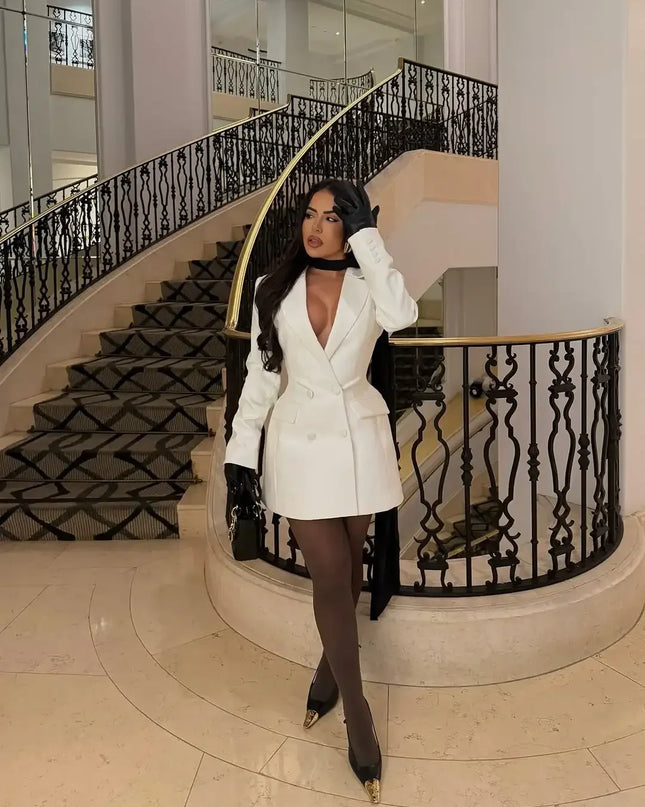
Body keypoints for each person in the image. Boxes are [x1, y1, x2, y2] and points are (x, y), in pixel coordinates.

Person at [223, 179, 418, 803]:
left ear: (351, 226)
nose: (315, 226)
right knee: (331, 574)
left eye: (333, 218)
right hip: (301, 447)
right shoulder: (271, 288)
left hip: (360, 445)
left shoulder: (371, 285)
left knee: (348, 573)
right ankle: (359, 719)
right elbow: (261, 377)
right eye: (310, 214)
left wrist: (370, 241)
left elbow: (404, 315)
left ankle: (327, 674)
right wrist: (239, 452)